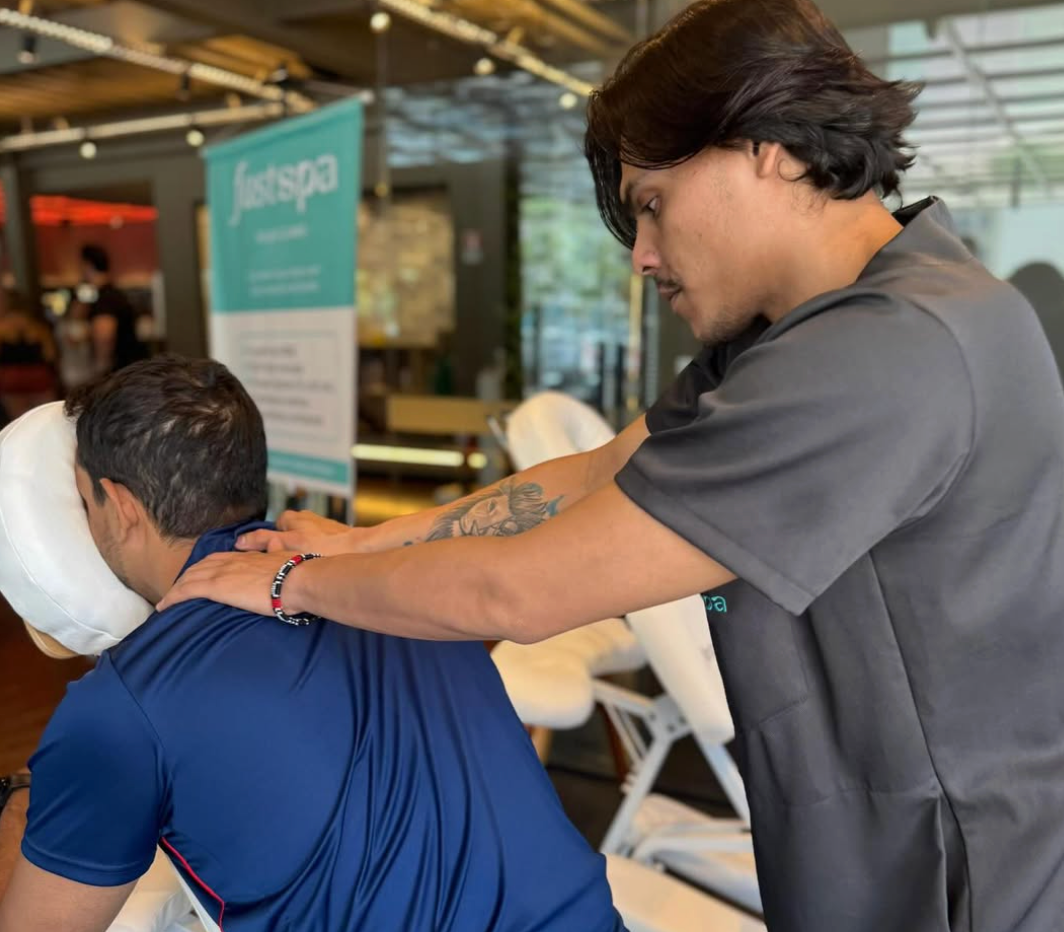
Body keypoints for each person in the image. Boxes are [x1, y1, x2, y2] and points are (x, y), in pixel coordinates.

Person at [162, 2, 1064, 930]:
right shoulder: (809, 330)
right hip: (869, 842)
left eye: (652, 204)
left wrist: (291, 585)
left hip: (957, 881)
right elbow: (595, 473)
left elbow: (518, 592)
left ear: (767, 148)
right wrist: (362, 544)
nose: (643, 255)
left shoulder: (885, 352)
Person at [0, 356, 623, 932]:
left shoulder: (124, 705)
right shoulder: (410, 585)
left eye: (85, 501)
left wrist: (33, 801)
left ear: (122, 506)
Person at [77, 244, 147, 376]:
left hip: (119, 371)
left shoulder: (105, 298)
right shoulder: (114, 294)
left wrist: (100, 371)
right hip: (130, 368)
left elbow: (104, 337)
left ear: (88, 265)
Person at [0, 288, 58, 425]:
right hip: (38, 377)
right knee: (44, 420)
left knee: (18, 423)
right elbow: (50, 355)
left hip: (11, 378)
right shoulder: (38, 328)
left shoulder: (2, 327)